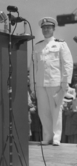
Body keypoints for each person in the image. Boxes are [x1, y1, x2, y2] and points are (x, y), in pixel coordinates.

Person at [29, 17, 73, 146]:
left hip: (56, 83)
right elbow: (33, 67)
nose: (46, 29)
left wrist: (65, 82)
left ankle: (56, 137)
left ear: (53, 29)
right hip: (40, 84)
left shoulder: (61, 44)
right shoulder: (37, 46)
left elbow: (67, 64)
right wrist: (33, 85)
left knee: (56, 110)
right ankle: (47, 136)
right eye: (44, 28)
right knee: (43, 111)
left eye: (48, 27)